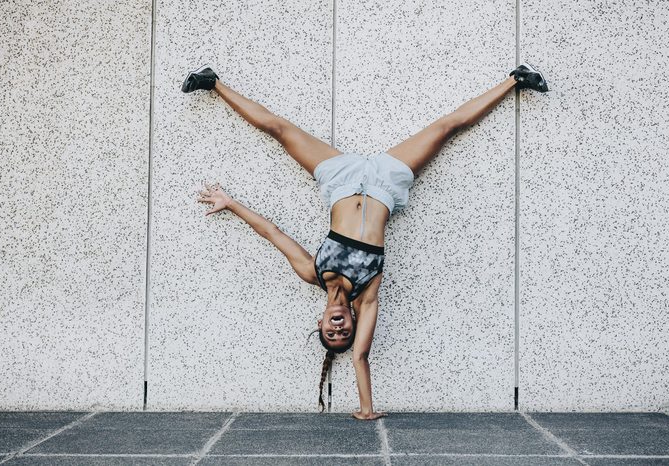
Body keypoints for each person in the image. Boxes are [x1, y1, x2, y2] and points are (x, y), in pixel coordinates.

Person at [186, 62, 548, 420]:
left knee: (278, 130)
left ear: (321, 321)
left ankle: (212, 81)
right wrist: (366, 409)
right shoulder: (368, 293)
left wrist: (231, 203)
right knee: (446, 127)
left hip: (339, 178)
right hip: (386, 182)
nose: (338, 329)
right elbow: (360, 356)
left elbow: (273, 233)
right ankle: (515, 79)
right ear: (354, 324)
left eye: (331, 332)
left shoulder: (313, 271)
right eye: (344, 333)